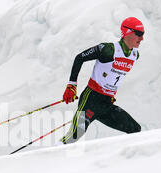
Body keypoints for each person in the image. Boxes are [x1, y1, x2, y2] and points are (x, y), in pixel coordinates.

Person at [60, 17, 144, 145]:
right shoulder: (108, 49)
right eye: (139, 34)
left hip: (106, 104)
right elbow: (79, 58)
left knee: (135, 129)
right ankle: (48, 159)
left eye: (143, 34)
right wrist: (71, 85)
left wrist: (110, 92)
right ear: (127, 32)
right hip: (91, 100)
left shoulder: (134, 55)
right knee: (73, 137)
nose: (141, 38)